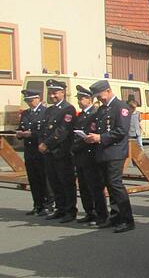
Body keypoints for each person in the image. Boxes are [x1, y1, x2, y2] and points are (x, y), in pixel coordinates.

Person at [84, 80, 135, 233]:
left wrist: (100, 138)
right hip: (103, 152)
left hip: (115, 152)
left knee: (115, 184)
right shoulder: (102, 109)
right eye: (98, 98)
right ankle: (115, 217)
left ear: (108, 91)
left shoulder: (120, 107)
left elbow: (121, 130)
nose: (100, 100)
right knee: (108, 185)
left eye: (100, 96)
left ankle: (127, 219)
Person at [39, 79, 78, 223]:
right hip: (49, 152)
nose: (52, 96)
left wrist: (47, 144)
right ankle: (60, 208)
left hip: (62, 152)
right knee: (54, 182)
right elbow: (43, 130)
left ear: (63, 92)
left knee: (66, 182)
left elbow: (62, 131)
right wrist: (42, 143)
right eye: (50, 93)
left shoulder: (68, 109)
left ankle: (70, 211)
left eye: (55, 93)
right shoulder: (50, 109)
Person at [71, 85, 107, 226]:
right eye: (79, 98)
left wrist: (76, 145)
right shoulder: (82, 115)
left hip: (90, 155)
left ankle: (101, 215)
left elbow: (90, 134)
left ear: (90, 99)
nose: (79, 101)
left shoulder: (94, 114)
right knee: (84, 187)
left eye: (82, 98)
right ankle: (89, 212)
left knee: (95, 188)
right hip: (80, 156)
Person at [15, 89, 52, 216]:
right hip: (29, 151)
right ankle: (37, 204)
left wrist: (32, 134)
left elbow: (46, 131)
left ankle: (48, 205)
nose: (29, 103)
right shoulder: (25, 113)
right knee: (33, 178)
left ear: (38, 99)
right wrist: (19, 134)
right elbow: (21, 127)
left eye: (30, 100)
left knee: (44, 178)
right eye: (27, 101)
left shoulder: (45, 112)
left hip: (40, 149)